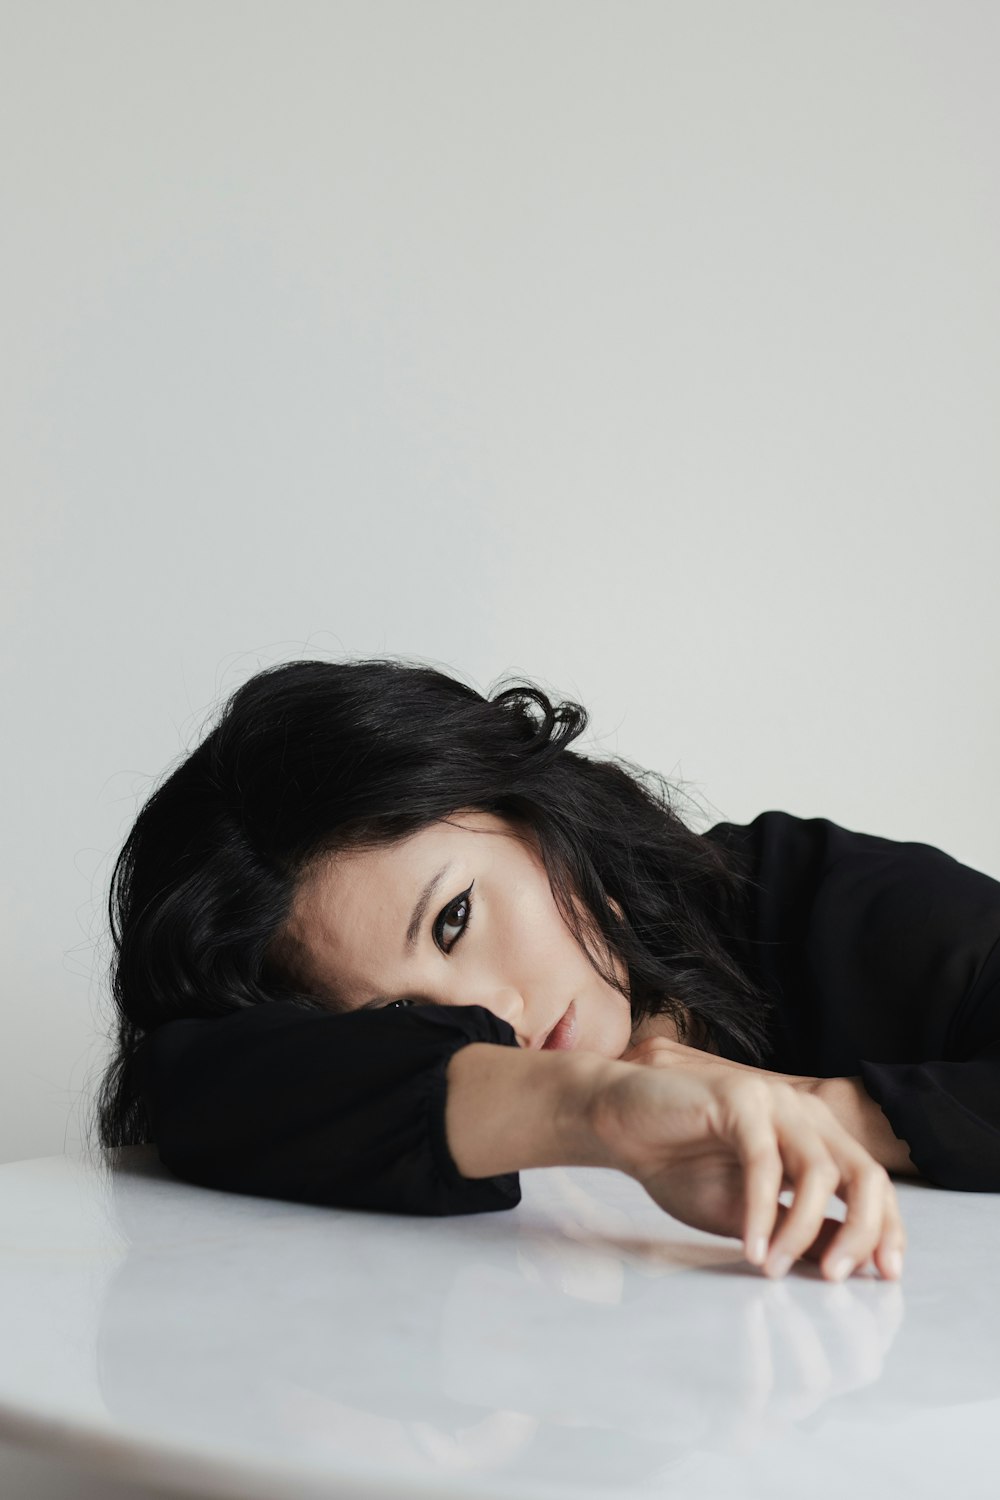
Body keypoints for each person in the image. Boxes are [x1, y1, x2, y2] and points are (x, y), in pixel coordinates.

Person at [92, 660, 995, 1282]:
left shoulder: (830, 900)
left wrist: (797, 1109)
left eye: (455, 919)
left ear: (531, 808)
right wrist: (598, 1106)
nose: (490, 1014)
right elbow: (196, 1079)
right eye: (402, 1010)